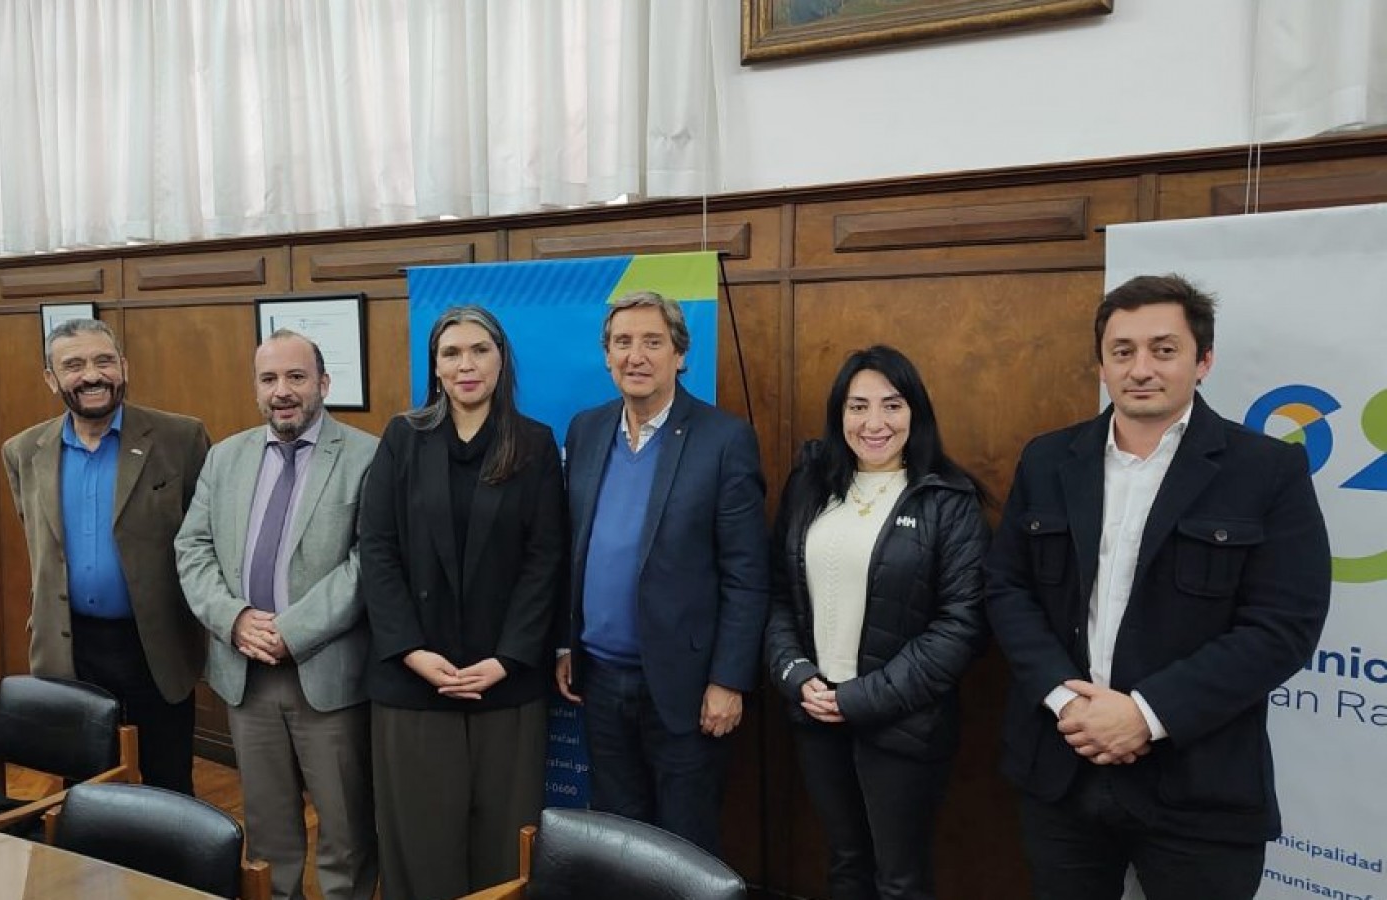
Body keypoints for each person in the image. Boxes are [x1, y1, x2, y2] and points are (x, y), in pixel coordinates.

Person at [985, 274, 1331, 900]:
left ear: (1203, 360)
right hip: (1061, 767)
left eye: (1163, 349)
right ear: (1101, 363)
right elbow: (1006, 588)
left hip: (1199, 784)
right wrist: (1071, 706)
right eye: (1122, 351)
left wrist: (1144, 716)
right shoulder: (1048, 458)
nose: (1141, 367)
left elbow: (1283, 628)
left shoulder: (1267, 469)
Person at [763, 345, 989, 900]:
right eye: (858, 406)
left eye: (891, 405)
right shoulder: (811, 486)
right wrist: (794, 674)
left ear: (915, 412)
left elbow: (961, 626)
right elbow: (775, 595)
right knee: (845, 864)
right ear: (840, 414)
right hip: (816, 711)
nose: (874, 423)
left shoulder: (948, 499)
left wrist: (862, 698)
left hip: (903, 722)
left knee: (899, 879)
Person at [360, 305, 567, 900]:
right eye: (451, 353)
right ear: (435, 366)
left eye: (480, 350)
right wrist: (409, 650)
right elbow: (377, 550)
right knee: (418, 842)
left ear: (502, 360)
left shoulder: (533, 443)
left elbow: (545, 561)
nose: (466, 364)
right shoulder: (403, 437)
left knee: (505, 847)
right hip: (412, 680)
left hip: (506, 680)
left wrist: (509, 658)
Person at [554, 291, 770, 854]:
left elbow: (747, 574)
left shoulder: (724, 440)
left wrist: (729, 680)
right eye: (622, 342)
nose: (636, 355)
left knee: (683, 848)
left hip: (686, 687)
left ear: (680, 354)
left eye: (653, 341)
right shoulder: (586, 430)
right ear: (606, 356)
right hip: (598, 681)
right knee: (617, 842)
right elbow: (571, 547)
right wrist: (564, 644)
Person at [175, 330, 379, 900]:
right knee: (267, 832)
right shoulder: (225, 457)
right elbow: (192, 548)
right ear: (256, 388)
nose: (282, 391)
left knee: (346, 830)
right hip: (246, 673)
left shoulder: (367, 455)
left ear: (323, 384)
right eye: (269, 379)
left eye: (296, 377)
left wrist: (290, 632)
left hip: (328, 676)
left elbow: (368, 564)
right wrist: (234, 619)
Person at [2, 318, 208, 795]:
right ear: (51, 378)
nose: (91, 375)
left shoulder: (181, 439)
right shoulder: (22, 452)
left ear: (124, 367)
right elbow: (41, 543)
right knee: (84, 783)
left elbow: (204, 537)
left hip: (154, 645)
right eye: (73, 365)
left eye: (103, 361)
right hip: (70, 645)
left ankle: (167, 871)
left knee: (169, 781)